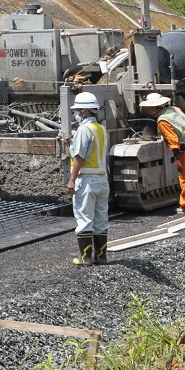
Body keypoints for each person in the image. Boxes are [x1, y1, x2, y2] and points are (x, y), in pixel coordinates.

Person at [66, 91, 110, 266]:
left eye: (77, 110)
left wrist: (71, 180)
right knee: (100, 220)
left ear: (85, 111)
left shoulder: (84, 130)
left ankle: (85, 258)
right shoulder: (101, 129)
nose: (75, 113)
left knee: (84, 219)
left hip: (86, 181)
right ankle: (101, 257)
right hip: (101, 180)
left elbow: (79, 158)